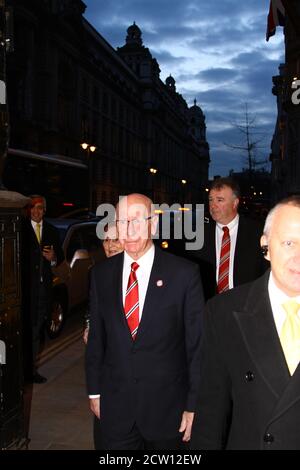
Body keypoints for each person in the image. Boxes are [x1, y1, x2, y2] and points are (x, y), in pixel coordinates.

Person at [86, 193, 204, 450]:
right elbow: (96, 339)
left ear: (153, 225)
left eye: (137, 221)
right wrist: (94, 391)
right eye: (121, 221)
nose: (128, 231)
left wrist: (194, 405)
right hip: (116, 409)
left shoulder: (184, 274)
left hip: (168, 411)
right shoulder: (101, 275)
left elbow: (196, 347)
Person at [191, 195, 300, 450]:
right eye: (288, 243)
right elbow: (210, 412)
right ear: (265, 245)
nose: (299, 256)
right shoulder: (223, 312)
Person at [195, 177, 267, 300]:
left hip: (247, 307)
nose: (213, 205)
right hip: (209, 308)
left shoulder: (258, 233)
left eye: (220, 200)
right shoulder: (199, 234)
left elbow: (267, 274)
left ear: (235, 203)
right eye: (211, 200)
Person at [22, 195, 64, 383]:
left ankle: (30, 371)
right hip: (24, 290)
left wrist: (53, 258)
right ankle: (22, 370)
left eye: (39, 208)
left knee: (37, 329)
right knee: (25, 331)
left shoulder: (52, 231)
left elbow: (60, 257)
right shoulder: (19, 228)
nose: (35, 211)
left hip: (43, 290)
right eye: (32, 207)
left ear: (44, 210)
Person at [83, 222, 123, 344]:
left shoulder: (138, 272)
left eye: (116, 240)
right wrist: (89, 327)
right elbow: (91, 307)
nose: (110, 245)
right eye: (106, 240)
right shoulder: (96, 273)